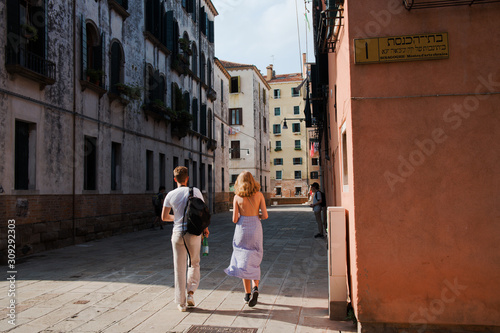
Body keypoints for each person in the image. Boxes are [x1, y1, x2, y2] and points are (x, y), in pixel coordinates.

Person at [162, 166, 209, 312]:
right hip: (193, 233)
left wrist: (177, 218)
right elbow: (202, 213)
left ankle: (181, 303)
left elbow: (164, 217)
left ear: (175, 179)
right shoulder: (195, 191)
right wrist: (205, 229)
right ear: (187, 178)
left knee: (179, 268)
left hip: (177, 234)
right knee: (194, 263)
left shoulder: (170, 194)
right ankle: (190, 293)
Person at [224, 171, 268, 307]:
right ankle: (255, 288)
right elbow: (265, 215)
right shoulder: (259, 195)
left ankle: (247, 294)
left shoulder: (237, 197)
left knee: (242, 260)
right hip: (255, 227)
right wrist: (257, 215)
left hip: (242, 229)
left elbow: (234, 219)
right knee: (255, 259)